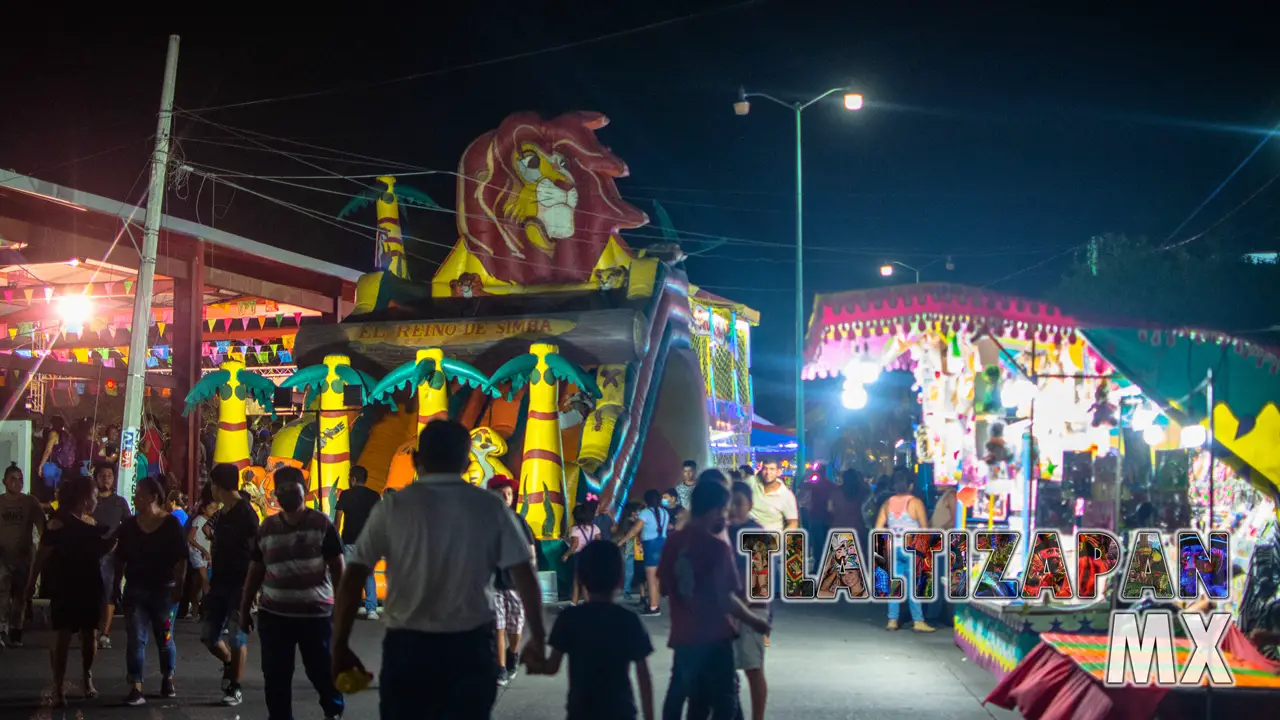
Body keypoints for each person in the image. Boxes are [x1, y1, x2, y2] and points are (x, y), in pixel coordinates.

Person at [333, 420, 547, 720]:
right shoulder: (490, 507)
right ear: (467, 461)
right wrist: (537, 638)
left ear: (416, 460)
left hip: (408, 649)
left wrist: (339, 644)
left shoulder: (393, 507)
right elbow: (525, 574)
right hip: (470, 648)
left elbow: (354, 576)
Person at [240, 467, 345, 720]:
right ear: (276, 493)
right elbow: (255, 570)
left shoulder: (321, 524)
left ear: (304, 491)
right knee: (275, 675)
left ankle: (333, 710)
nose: (286, 493)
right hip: (274, 615)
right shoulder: (267, 528)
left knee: (321, 670)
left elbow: (338, 568)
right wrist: (244, 609)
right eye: (282, 489)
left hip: (316, 614)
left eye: (292, 488)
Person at [659, 481, 771, 720]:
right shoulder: (716, 546)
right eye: (723, 508)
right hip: (716, 637)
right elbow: (726, 598)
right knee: (725, 699)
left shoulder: (674, 541)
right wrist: (754, 619)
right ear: (712, 509)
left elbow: (664, 583)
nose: (727, 513)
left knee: (692, 698)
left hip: (684, 636)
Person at [539, 539, 655, 720]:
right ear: (619, 577)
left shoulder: (570, 618)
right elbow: (643, 674)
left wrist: (532, 660)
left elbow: (552, 666)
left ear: (581, 577)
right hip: (620, 711)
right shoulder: (628, 620)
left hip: (581, 712)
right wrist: (649, 716)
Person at [26, 476, 115, 707]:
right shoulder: (58, 523)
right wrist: (30, 583)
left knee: (89, 637)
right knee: (62, 637)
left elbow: (100, 550)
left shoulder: (92, 523)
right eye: (94, 496)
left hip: (90, 584)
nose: (97, 500)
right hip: (64, 584)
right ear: (84, 499)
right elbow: (41, 557)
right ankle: (58, 685)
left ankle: (87, 676)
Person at [114, 475, 188, 705]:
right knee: (136, 638)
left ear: (153, 497)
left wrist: (179, 585)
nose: (135, 498)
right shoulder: (129, 525)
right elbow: (120, 557)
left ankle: (168, 677)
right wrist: (118, 583)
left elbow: (182, 558)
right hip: (136, 589)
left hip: (164, 589)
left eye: (139, 494)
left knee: (164, 638)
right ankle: (136, 685)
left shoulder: (170, 524)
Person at [203, 463, 259, 706]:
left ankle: (235, 687)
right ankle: (229, 663)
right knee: (209, 636)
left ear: (218, 485)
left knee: (237, 637)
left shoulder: (246, 513)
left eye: (212, 484)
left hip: (240, 585)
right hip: (219, 584)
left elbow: (258, 551)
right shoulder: (222, 512)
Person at [873, 468, 935, 633]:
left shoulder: (887, 503)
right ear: (911, 485)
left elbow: (878, 528)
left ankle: (892, 620)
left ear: (893, 485)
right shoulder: (915, 503)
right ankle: (918, 621)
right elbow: (924, 528)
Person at [488, 475, 536, 686]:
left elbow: (531, 552)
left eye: (509, 494)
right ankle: (500, 668)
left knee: (514, 627)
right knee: (498, 625)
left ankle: (513, 654)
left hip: (515, 581)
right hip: (491, 582)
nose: (507, 497)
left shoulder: (519, 521)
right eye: (502, 494)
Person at [728, 481, 768, 720]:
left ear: (750, 505)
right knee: (727, 670)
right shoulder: (722, 530)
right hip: (729, 608)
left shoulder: (757, 533)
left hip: (753, 610)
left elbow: (759, 581)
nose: (734, 508)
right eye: (730, 503)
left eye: (739, 503)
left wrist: (742, 608)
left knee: (753, 670)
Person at [0, 463, 45, 647]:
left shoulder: (30, 502)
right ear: (4, 482)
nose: (17, 483)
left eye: (20, 479)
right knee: (1, 594)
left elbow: (42, 525)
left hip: (24, 557)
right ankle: (2, 626)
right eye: (13, 479)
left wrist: (45, 547)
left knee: (20, 596)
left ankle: (16, 628)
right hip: (2, 557)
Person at [92, 462, 132, 650]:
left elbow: (129, 526)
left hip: (113, 554)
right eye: (102, 475)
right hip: (90, 552)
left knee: (109, 592)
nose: (106, 478)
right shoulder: (89, 500)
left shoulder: (120, 502)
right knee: (91, 592)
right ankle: (91, 629)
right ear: (96, 477)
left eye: (109, 475)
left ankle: (105, 633)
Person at [334, 465, 380, 620]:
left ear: (353, 479)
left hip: (349, 540)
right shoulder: (374, 496)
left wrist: (335, 536)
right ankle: (371, 609)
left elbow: (338, 518)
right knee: (368, 575)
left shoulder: (345, 495)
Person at [615, 489, 669, 616]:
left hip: (650, 546)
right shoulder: (665, 512)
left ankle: (653, 607)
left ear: (646, 500)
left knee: (650, 577)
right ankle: (655, 604)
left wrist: (621, 541)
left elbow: (634, 530)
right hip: (662, 544)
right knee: (657, 578)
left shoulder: (645, 512)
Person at [181, 500, 218, 620]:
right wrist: (203, 550)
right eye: (211, 508)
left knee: (197, 584)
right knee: (205, 580)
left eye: (215, 509)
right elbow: (190, 538)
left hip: (205, 555)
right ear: (204, 509)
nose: (214, 511)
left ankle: (196, 610)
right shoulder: (199, 520)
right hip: (197, 553)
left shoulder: (212, 523)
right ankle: (208, 610)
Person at [563, 504, 601, 605]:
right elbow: (599, 541)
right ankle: (585, 601)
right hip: (593, 556)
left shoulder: (575, 529)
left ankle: (578, 602)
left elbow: (575, 545)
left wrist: (566, 555)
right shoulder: (595, 528)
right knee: (588, 579)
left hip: (580, 556)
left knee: (578, 580)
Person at [38, 415, 76, 503]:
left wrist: (41, 465)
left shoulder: (53, 434)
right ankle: (58, 509)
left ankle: (51, 510)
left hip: (52, 467)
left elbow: (48, 450)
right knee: (58, 491)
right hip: (63, 468)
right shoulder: (66, 435)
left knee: (50, 492)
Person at [615, 503, 643, 601]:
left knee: (638, 571)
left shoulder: (639, 522)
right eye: (638, 511)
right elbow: (630, 533)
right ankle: (627, 591)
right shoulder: (628, 522)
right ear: (633, 513)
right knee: (629, 572)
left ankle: (641, 591)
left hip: (639, 550)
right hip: (630, 550)